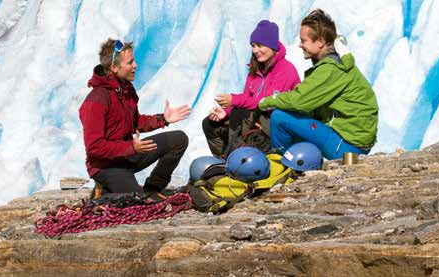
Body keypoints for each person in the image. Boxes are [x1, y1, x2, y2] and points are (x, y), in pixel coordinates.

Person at [257, 9, 378, 160]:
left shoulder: (329, 69)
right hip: (350, 139)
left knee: (279, 117)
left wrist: (265, 102)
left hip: (347, 146)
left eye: (303, 41)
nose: (300, 45)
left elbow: (299, 100)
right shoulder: (334, 61)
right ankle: (297, 160)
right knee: (293, 119)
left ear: (320, 42)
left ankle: (284, 162)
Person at [79, 38, 191, 197]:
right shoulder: (96, 101)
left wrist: (163, 119)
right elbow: (95, 147)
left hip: (127, 155)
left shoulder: (125, 89)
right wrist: (131, 148)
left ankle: (152, 188)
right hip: (106, 166)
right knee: (138, 201)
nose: (135, 65)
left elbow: (135, 121)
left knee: (178, 139)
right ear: (114, 67)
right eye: (130, 62)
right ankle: (104, 192)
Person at [202, 20, 301, 157]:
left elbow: (266, 103)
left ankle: (234, 159)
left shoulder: (286, 70)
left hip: (275, 124)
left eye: (259, 45)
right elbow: (247, 98)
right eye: (253, 46)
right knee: (209, 123)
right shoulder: (256, 69)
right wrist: (225, 112)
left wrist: (234, 101)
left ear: (271, 45)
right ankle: (222, 160)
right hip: (253, 120)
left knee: (241, 112)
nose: (255, 50)